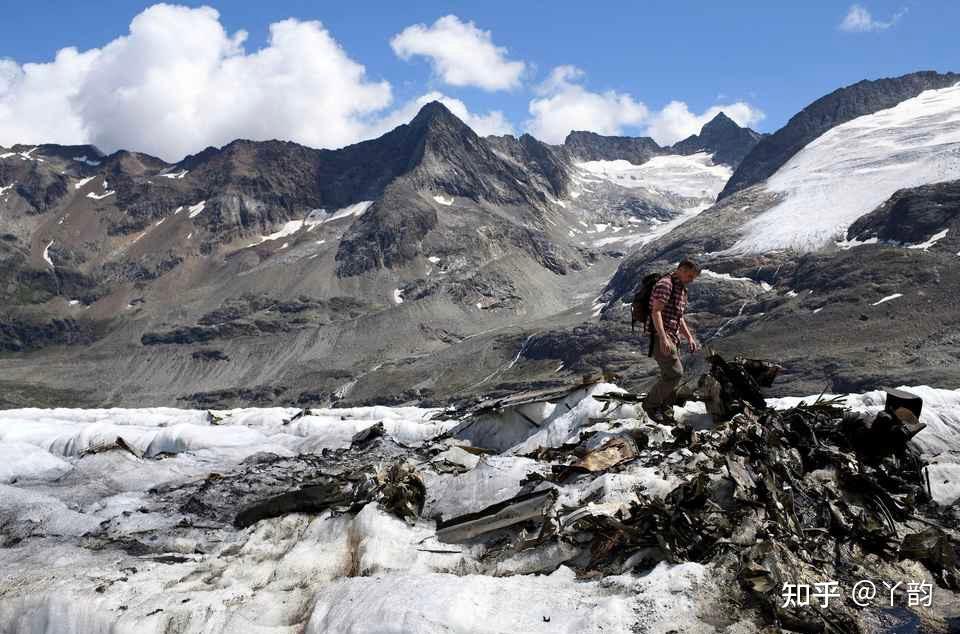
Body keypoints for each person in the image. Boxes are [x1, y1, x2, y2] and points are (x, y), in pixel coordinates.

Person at [644, 259, 701, 422]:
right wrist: (662, 338)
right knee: (675, 373)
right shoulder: (666, 285)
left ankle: (664, 407)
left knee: (670, 374)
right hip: (661, 335)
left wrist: (689, 337)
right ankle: (650, 405)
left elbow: (678, 316)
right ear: (681, 269)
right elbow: (656, 312)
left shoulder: (680, 288)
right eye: (689, 275)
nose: (691, 280)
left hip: (672, 336)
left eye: (693, 277)